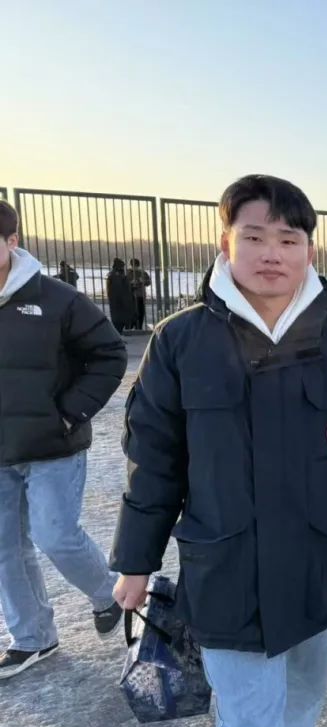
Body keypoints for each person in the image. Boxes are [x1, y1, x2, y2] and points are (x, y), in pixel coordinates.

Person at [110, 175, 327, 727]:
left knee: (306, 681)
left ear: (310, 250)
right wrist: (136, 559)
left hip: (321, 558)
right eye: (254, 237)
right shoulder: (180, 341)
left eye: (288, 239)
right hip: (226, 564)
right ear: (225, 244)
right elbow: (155, 460)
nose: (272, 253)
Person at [0, 200, 127, 680]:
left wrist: (71, 412)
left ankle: (109, 594)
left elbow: (110, 353)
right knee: (5, 549)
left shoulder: (57, 300)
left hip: (52, 445)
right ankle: (32, 637)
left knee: (55, 535)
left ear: (12, 242)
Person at [105, 257, 135, 332]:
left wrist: (131, 287)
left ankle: (120, 332)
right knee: (119, 322)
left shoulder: (114, 274)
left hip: (118, 302)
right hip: (120, 303)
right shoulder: (116, 275)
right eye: (122, 266)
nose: (123, 268)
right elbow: (119, 290)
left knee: (118, 321)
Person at [126, 257, 151, 329]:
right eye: (133, 265)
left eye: (136, 266)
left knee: (139, 312)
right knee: (135, 312)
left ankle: (137, 327)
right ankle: (133, 326)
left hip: (138, 296)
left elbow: (148, 282)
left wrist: (142, 281)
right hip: (133, 296)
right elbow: (124, 283)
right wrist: (131, 283)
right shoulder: (128, 273)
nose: (135, 267)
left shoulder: (142, 273)